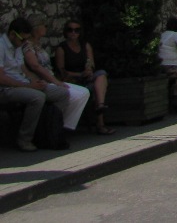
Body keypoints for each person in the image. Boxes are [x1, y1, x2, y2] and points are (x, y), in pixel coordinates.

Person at [0, 16, 75, 151]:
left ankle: (49, 131)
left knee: (62, 93)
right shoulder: (1, 47)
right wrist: (29, 86)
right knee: (37, 97)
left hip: (24, 83)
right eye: (22, 39)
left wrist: (35, 80)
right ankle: (25, 138)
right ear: (12, 34)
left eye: (26, 39)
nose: (24, 42)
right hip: (7, 88)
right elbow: (2, 78)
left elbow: (22, 68)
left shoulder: (18, 45)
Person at [23, 17, 90, 134]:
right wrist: (56, 81)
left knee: (84, 92)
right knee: (74, 94)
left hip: (51, 79)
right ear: (37, 28)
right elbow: (35, 66)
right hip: (43, 81)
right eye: (44, 26)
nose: (46, 28)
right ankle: (59, 127)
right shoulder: (28, 46)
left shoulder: (38, 44)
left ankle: (64, 125)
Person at [55, 18, 111, 133]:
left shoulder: (85, 46)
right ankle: (100, 124)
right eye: (70, 30)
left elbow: (91, 63)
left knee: (101, 75)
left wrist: (89, 70)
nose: (73, 33)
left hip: (86, 77)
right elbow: (62, 71)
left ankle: (100, 106)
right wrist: (79, 74)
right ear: (66, 32)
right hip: (72, 80)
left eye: (76, 30)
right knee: (96, 88)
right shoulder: (62, 48)